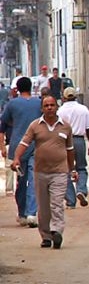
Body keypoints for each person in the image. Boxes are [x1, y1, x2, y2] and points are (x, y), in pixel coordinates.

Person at [11, 95, 76, 249]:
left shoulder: (65, 127)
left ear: (57, 107)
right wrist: (17, 158)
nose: (49, 108)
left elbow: (70, 149)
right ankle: (46, 236)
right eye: (46, 105)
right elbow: (24, 143)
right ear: (42, 108)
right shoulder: (35, 126)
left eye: (52, 105)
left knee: (56, 203)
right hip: (40, 172)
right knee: (44, 206)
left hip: (59, 172)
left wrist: (71, 168)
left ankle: (57, 231)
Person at [0, 77, 41, 228]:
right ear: (31, 87)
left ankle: (23, 213)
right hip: (36, 145)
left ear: (17, 89)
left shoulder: (12, 104)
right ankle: (31, 212)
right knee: (33, 179)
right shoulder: (39, 103)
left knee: (21, 181)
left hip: (18, 146)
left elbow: (2, 126)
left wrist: (3, 147)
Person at [57, 87, 89, 208]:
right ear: (76, 96)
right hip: (79, 140)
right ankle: (81, 190)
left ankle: (71, 200)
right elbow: (88, 128)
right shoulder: (83, 109)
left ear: (64, 97)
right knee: (81, 167)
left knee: (65, 170)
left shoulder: (60, 111)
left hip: (64, 140)